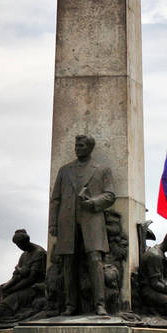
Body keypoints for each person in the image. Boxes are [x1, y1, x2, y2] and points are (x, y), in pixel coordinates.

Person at [49, 135, 115, 316]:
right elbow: (55, 199)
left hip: (92, 221)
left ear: (90, 148)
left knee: (95, 261)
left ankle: (100, 305)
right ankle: (70, 305)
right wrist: (53, 223)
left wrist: (93, 202)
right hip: (67, 222)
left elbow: (110, 195)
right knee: (68, 263)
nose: (77, 148)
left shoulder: (102, 170)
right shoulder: (64, 170)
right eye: (76, 145)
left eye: (81, 145)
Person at [0, 229, 47, 323]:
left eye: (20, 245)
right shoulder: (24, 255)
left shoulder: (39, 253)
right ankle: (7, 312)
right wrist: (8, 286)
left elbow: (32, 278)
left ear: (25, 242)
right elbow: (17, 274)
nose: (19, 247)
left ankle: (11, 316)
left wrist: (14, 289)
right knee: (2, 288)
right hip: (22, 284)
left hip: (33, 288)